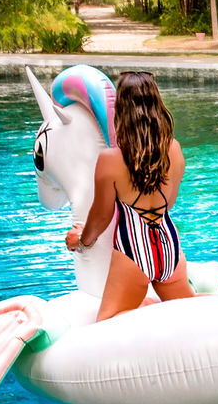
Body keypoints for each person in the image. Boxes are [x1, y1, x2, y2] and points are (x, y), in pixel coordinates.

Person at [65, 72, 195, 320]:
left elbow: (101, 216)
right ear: (157, 105)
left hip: (133, 252)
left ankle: (144, 308)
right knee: (189, 313)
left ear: (121, 111)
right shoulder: (174, 150)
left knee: (105, 323)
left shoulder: (110, 160)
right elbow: (170, 202)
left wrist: (81, 242)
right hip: (169, 245)